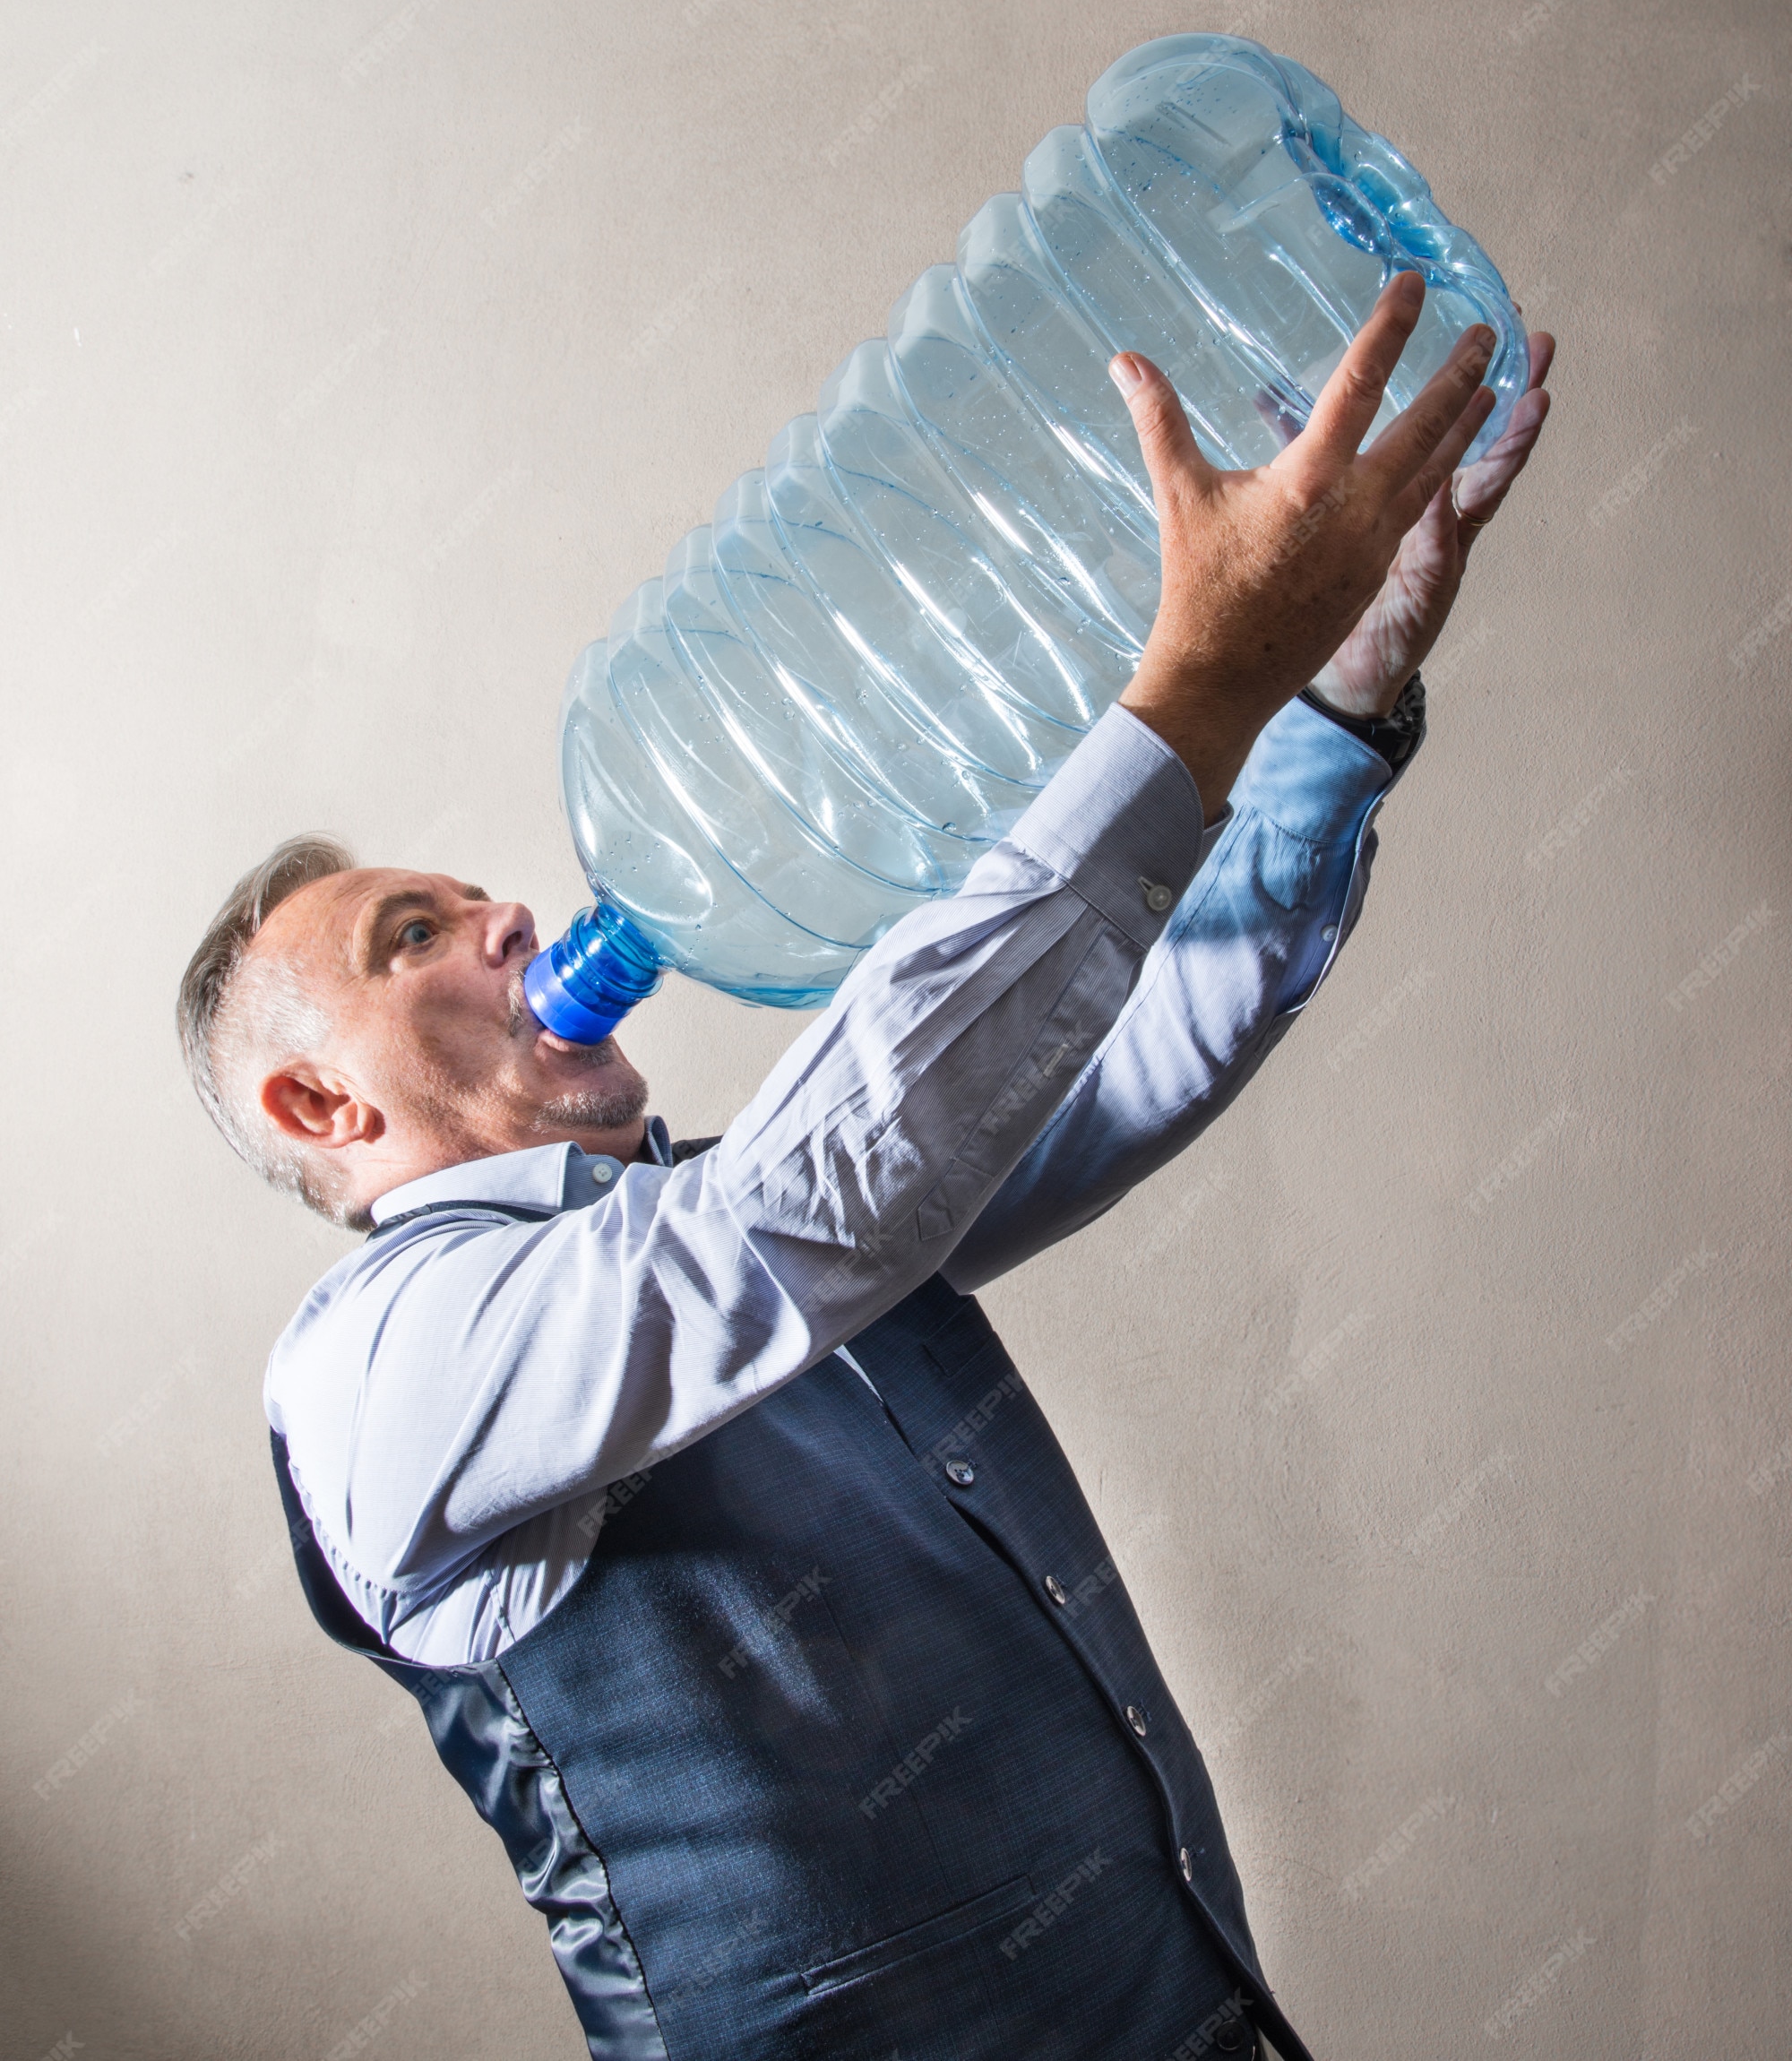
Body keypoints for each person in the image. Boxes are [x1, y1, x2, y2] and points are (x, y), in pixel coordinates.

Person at [178, 276, 1553, 2061]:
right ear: (319, 1110)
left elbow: (1125, 1055)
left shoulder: (716, 1218)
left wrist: (1330, 697)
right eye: (416, 932)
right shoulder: (376, 1366)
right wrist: (1195, 677)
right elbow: (808, 1213)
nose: (505, 908)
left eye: (467, 887)